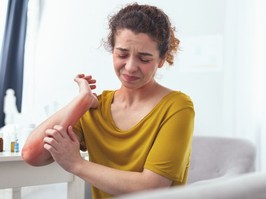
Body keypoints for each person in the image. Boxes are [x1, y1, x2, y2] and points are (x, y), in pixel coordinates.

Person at [22, 3, 195, 199]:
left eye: (144, 59)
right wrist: (81, 101)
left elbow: (152, 187)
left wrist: (76, 164)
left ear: (162, 59)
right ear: (112, 50)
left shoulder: (177, 107)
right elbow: (32, 154)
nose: (130, 67)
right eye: (122, 54)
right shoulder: (95, 107)